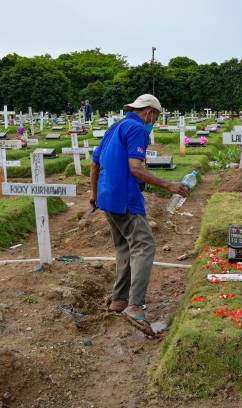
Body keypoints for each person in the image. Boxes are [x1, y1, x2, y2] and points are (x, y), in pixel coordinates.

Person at [90, 94, 190, 335]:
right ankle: (135, 306)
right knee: (144, 246)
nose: (154, 122)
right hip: (124, 198)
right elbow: (136, 168)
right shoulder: (137, 129)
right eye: (155, 117)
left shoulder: (114, 127)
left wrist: (94, 196)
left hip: (106, 196)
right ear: (149, 113)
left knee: (125, 247)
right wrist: (169, 185)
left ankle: (119, 299)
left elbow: (95, 163)